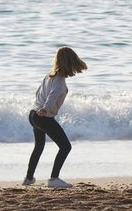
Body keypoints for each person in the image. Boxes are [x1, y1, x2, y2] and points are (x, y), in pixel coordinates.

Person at [22, 46, 88, 189]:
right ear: (70, 62)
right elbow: (51, 98)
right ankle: (54, 178)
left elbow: (37, 93)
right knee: (65, 147)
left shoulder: (49, 76)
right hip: (43, 116)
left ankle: (28, 178)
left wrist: (40, 109)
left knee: (39, 146)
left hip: (33, 115)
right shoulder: (59, 81)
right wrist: (45, 109)